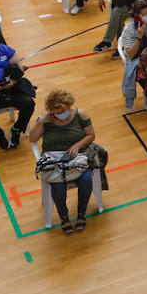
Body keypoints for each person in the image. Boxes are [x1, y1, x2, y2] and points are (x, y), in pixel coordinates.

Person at [28, 89, 98, 234]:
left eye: (62, 110)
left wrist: (77, 145)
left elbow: (91, 135)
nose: (60, 113)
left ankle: (81, 214)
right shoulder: (45, 119)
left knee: (86, 181)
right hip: (55, 160)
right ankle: (64, 218)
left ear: (68, 106)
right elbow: (32, 139)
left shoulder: (80, 114)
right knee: (58, 188)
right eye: (56, 111)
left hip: (76, 158)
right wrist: (40, 122)